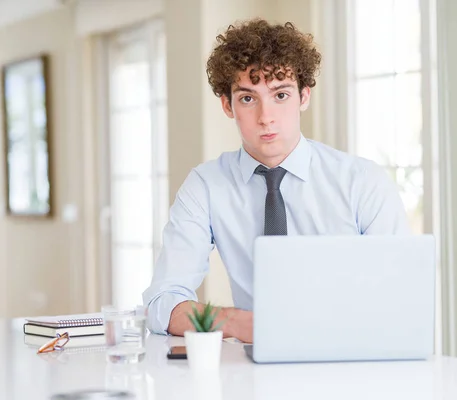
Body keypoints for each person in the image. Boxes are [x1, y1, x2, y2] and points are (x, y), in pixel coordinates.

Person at [143, 18, 410, 343]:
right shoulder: (206, 187)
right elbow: (162, 303)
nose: (265, 116)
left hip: (352, 361)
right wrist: (232, 322)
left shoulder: (362, 182)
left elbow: (402, 294)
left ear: (304, 97)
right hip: (253, 371)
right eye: (247, 98)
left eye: (280, 95)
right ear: (227, 105)